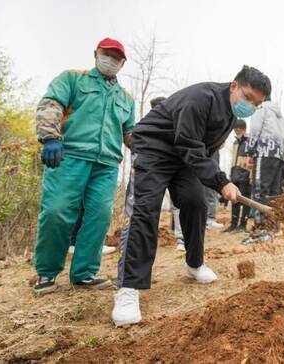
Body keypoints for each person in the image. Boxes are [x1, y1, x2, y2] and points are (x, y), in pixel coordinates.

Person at [111, 65, 271, 326]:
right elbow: (189, 144)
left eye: (257, 104)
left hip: (183, 157)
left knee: (195, 202)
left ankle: (194, 263)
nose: (250, 106)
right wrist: (222, 181)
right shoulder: (201, 98)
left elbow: (201, 150)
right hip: (154, 148)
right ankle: (128, 288)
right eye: (248, 98)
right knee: (145, 209)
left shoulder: (230, 114)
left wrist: (214, 179)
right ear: (234, 86)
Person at [33, 38, 135, 294]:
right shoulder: (72, 79)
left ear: (122, 63)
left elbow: (131, 133)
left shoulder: (126, 98)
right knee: (57, 211)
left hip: (107, 164)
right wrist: (50, 137)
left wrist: (150, 148)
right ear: (96, 54)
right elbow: (51, 103)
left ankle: (84, 273)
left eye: (116, 58)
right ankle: (46, 273)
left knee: (98, 217)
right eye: (106, 54)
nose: (110, 60)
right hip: (69, 156)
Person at [244, 99, 284, 242]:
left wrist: (249, 151)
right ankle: (274, 226)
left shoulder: (261, 109)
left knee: (260, 189)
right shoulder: (281, 117)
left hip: (264, 152)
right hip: (279, 155)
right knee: (275, 193)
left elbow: (255, 130)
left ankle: (261, 226)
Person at [224, 119, 252, 233]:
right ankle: (233, 224)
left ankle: (243, 224)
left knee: (245, 200)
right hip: (235, 175)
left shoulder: (250, 141)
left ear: (244, 129)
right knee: (234, 199)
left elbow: (251, 160)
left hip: (245, 175)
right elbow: (233, 160)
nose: (236, 132)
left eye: (238, 130)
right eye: (235, 130)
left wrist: (250, 175)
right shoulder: (235, 143)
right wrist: (231, 175)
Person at [205, 150, 224, 229]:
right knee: (212, 198)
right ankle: (210, 220)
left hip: (205, 174)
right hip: (210, 176)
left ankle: (206, 220)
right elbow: (214, 164)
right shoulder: (213, 149)